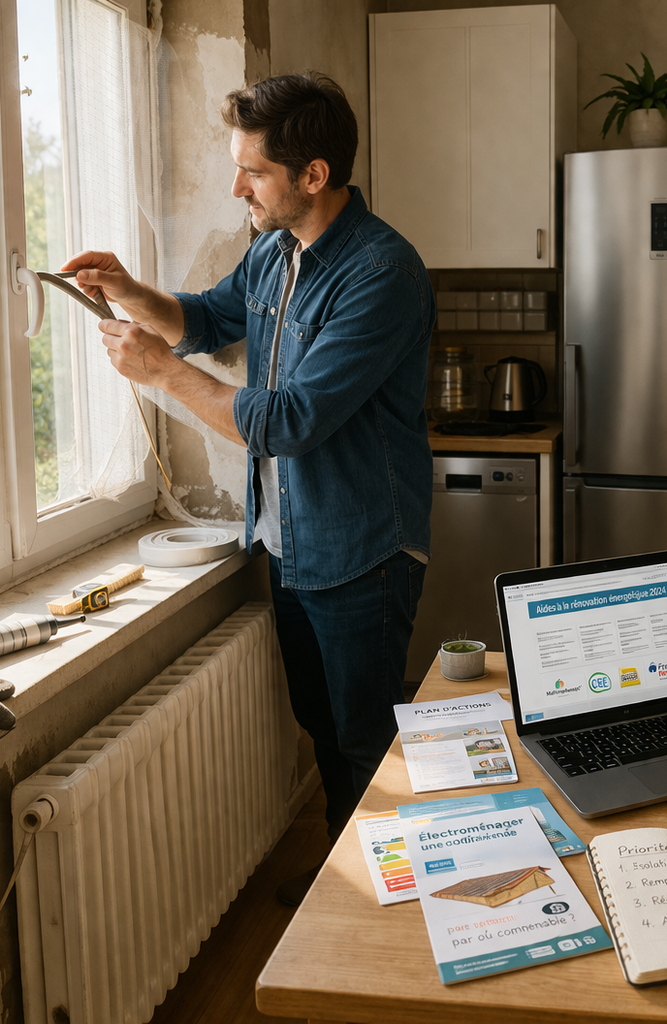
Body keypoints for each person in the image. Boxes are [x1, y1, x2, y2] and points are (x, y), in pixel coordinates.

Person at [60, 73, 434, 903]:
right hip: (288, 539)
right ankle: (350, 887)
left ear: (313, 175)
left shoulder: (382, 273)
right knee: (324, 731)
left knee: (367, 743)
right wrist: (128, 291)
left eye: (253, 173)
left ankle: (382, 914)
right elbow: (206, 319)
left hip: (364, 547)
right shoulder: (273, 248)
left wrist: (161, 375)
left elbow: (290, 420)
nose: (237, 189)